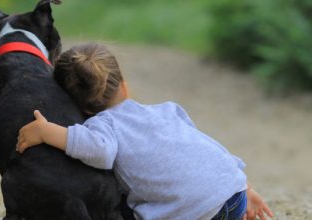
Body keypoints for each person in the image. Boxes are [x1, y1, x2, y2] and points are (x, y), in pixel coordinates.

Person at [16, 43, 274, 220]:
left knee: (120, 207)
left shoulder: (103, 126)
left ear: (77, 107)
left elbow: (98, 151)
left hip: (192, 213)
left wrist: (48, 132)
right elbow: (205, 148)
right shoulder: (168, 110)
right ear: (124, 86)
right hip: (234, 195)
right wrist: (245, 186)